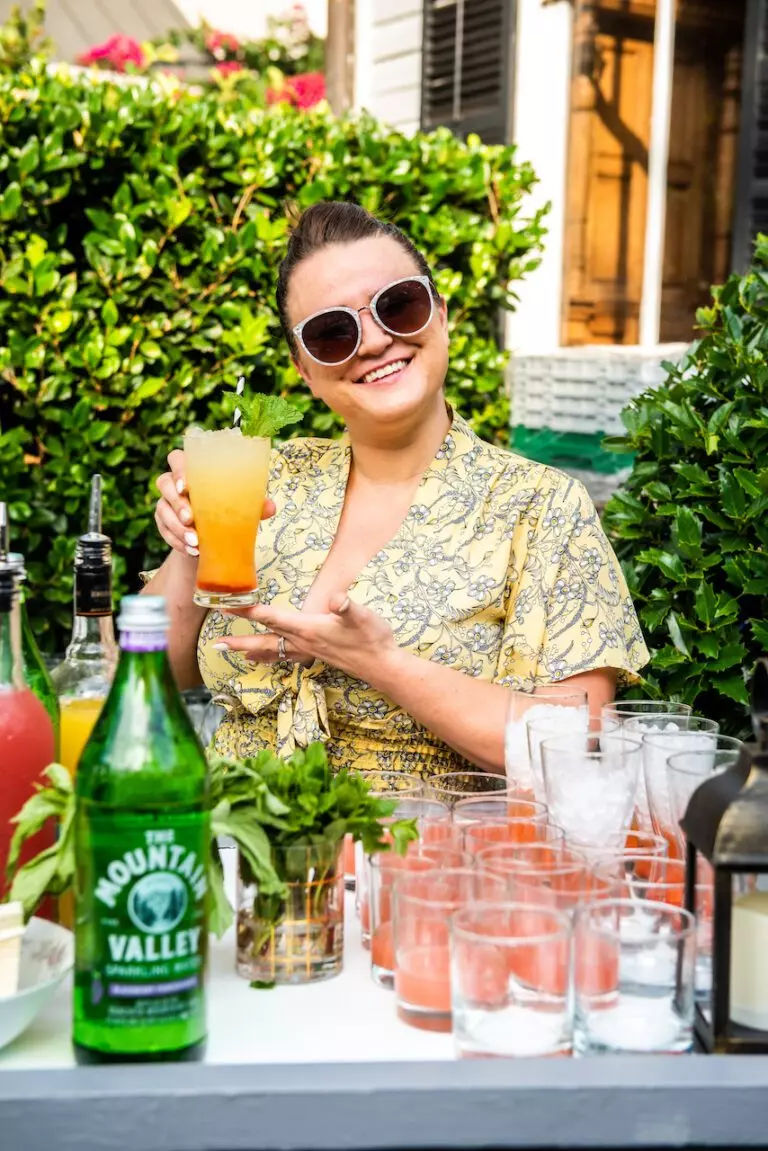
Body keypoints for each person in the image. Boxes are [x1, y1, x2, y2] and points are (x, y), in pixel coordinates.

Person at [145, 201, 649, 778]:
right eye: (333, 333)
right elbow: (145, 676)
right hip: (233, 848)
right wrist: (192, 536)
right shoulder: (265, 473)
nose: (374, 342)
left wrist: (378, 662)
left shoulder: (542, 506)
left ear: (442, 315)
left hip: (426, 855)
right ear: (304, 370)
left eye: (398, 306)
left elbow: (570, 746)